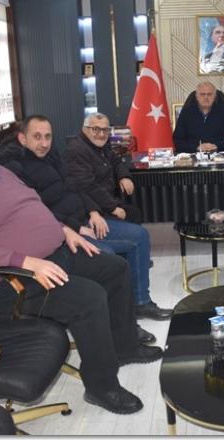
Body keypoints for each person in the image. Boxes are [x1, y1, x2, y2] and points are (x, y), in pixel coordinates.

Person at [0, 116, 163, 415]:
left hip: (53, 255)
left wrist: (65, 231)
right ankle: (101, 386)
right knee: (88, 298)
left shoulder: (0, 171)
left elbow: (34, 209)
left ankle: (125, 347)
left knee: (115, 269)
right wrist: (26, 261)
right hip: (8, 280)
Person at [0, 114, 169, 326]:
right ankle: (116, 321)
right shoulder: (14, 170)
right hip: (63, 233)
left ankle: (140, 302)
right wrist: (76, 227)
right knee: (108, 256)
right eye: (37, 137)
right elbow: (35, 212)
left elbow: (75, 187)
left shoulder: (52, 156)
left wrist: (93, 211)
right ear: (23, 138)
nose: (44, 143)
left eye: (48, 137)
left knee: (139, 236)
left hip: (85, 219)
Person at [62, 112, 171, 320]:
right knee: (138, 235)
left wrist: (123, 176)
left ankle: (137, 281)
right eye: (96, 129)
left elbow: (117, 161)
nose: (101, 134)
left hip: (101, 206)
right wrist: (111, 208)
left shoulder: (100, 147)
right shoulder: (77, 151)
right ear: (85, 129)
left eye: (105, 130)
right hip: (87, 214)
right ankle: (139, 301)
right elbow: (86, 187)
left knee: (135, 214)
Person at [172, 81, 224, 153]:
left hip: (219, 155)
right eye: (202, 94)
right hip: (193, 155)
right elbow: (177, 141)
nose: (206, 97)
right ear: (196, 96)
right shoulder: (186, 113)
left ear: (215, 96)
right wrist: (196, 147)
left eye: (209, 94)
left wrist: (217, 146)